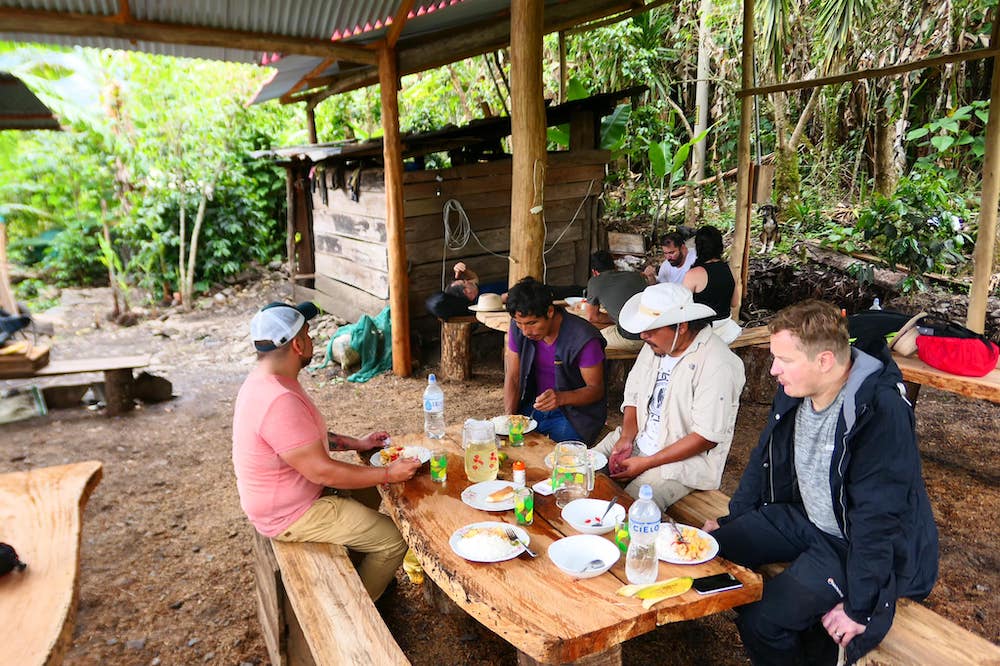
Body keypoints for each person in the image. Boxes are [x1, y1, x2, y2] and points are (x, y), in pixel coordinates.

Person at [705, 300, 939, 665]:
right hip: (807, 518)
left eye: (783, 360)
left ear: (825, 361)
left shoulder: (879, 411)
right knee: (710, 548)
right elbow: (763, 455)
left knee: (762, 622)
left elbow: (878, 518)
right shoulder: (796, 388)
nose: (772, 370)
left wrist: (860, 608)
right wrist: (734, 520)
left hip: (850, 543)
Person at [232, 301, 421, 601]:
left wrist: (358, 444)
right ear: (297, 344)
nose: (312, 341)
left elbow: (302, 440)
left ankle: (362, 564)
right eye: (308, 334)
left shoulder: (267, 381)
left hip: (290, 498)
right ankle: (361, 609)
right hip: (291, 515)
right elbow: (322, 470)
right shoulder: (278, 399)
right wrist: (388, 471)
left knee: (378, 489)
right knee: (394, 541)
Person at [593, 283, 745, 510]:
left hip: (681, 461)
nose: (643, 335)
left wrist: (646, 462)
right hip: (637, 439)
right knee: (575, 469)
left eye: (652, 329)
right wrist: (626, 437)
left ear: (681, 326)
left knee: (631, 508)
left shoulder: (718, 363)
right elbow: (634, 395)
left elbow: (707, 436)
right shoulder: (655, 346)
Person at [504, 277, 607, 445]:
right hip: (534, 407)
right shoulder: (519, 327)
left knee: (556, 459)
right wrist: (509, 418)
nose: (525, 331)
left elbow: (596, 390)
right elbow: (513, 376)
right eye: (519, 324)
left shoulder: (584, 338)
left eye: (532, 323)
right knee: (510, 449)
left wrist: (560, 398)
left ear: (550, 312)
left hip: (574, 415)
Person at [682, 225, 742, 344]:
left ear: (698, 247)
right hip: (727, 329)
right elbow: (735, 303)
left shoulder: (693, 274)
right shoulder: (728, 269)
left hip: (703, 333)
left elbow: (682, 309)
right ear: (720, 246)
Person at [584, 251, 647, 353]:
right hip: (655, 332)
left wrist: (616, 316)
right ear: (615, 266)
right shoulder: (637, 276)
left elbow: (591, 317)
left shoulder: (595, 282)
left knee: (590, 340)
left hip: (634, 338)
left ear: (594, 272)